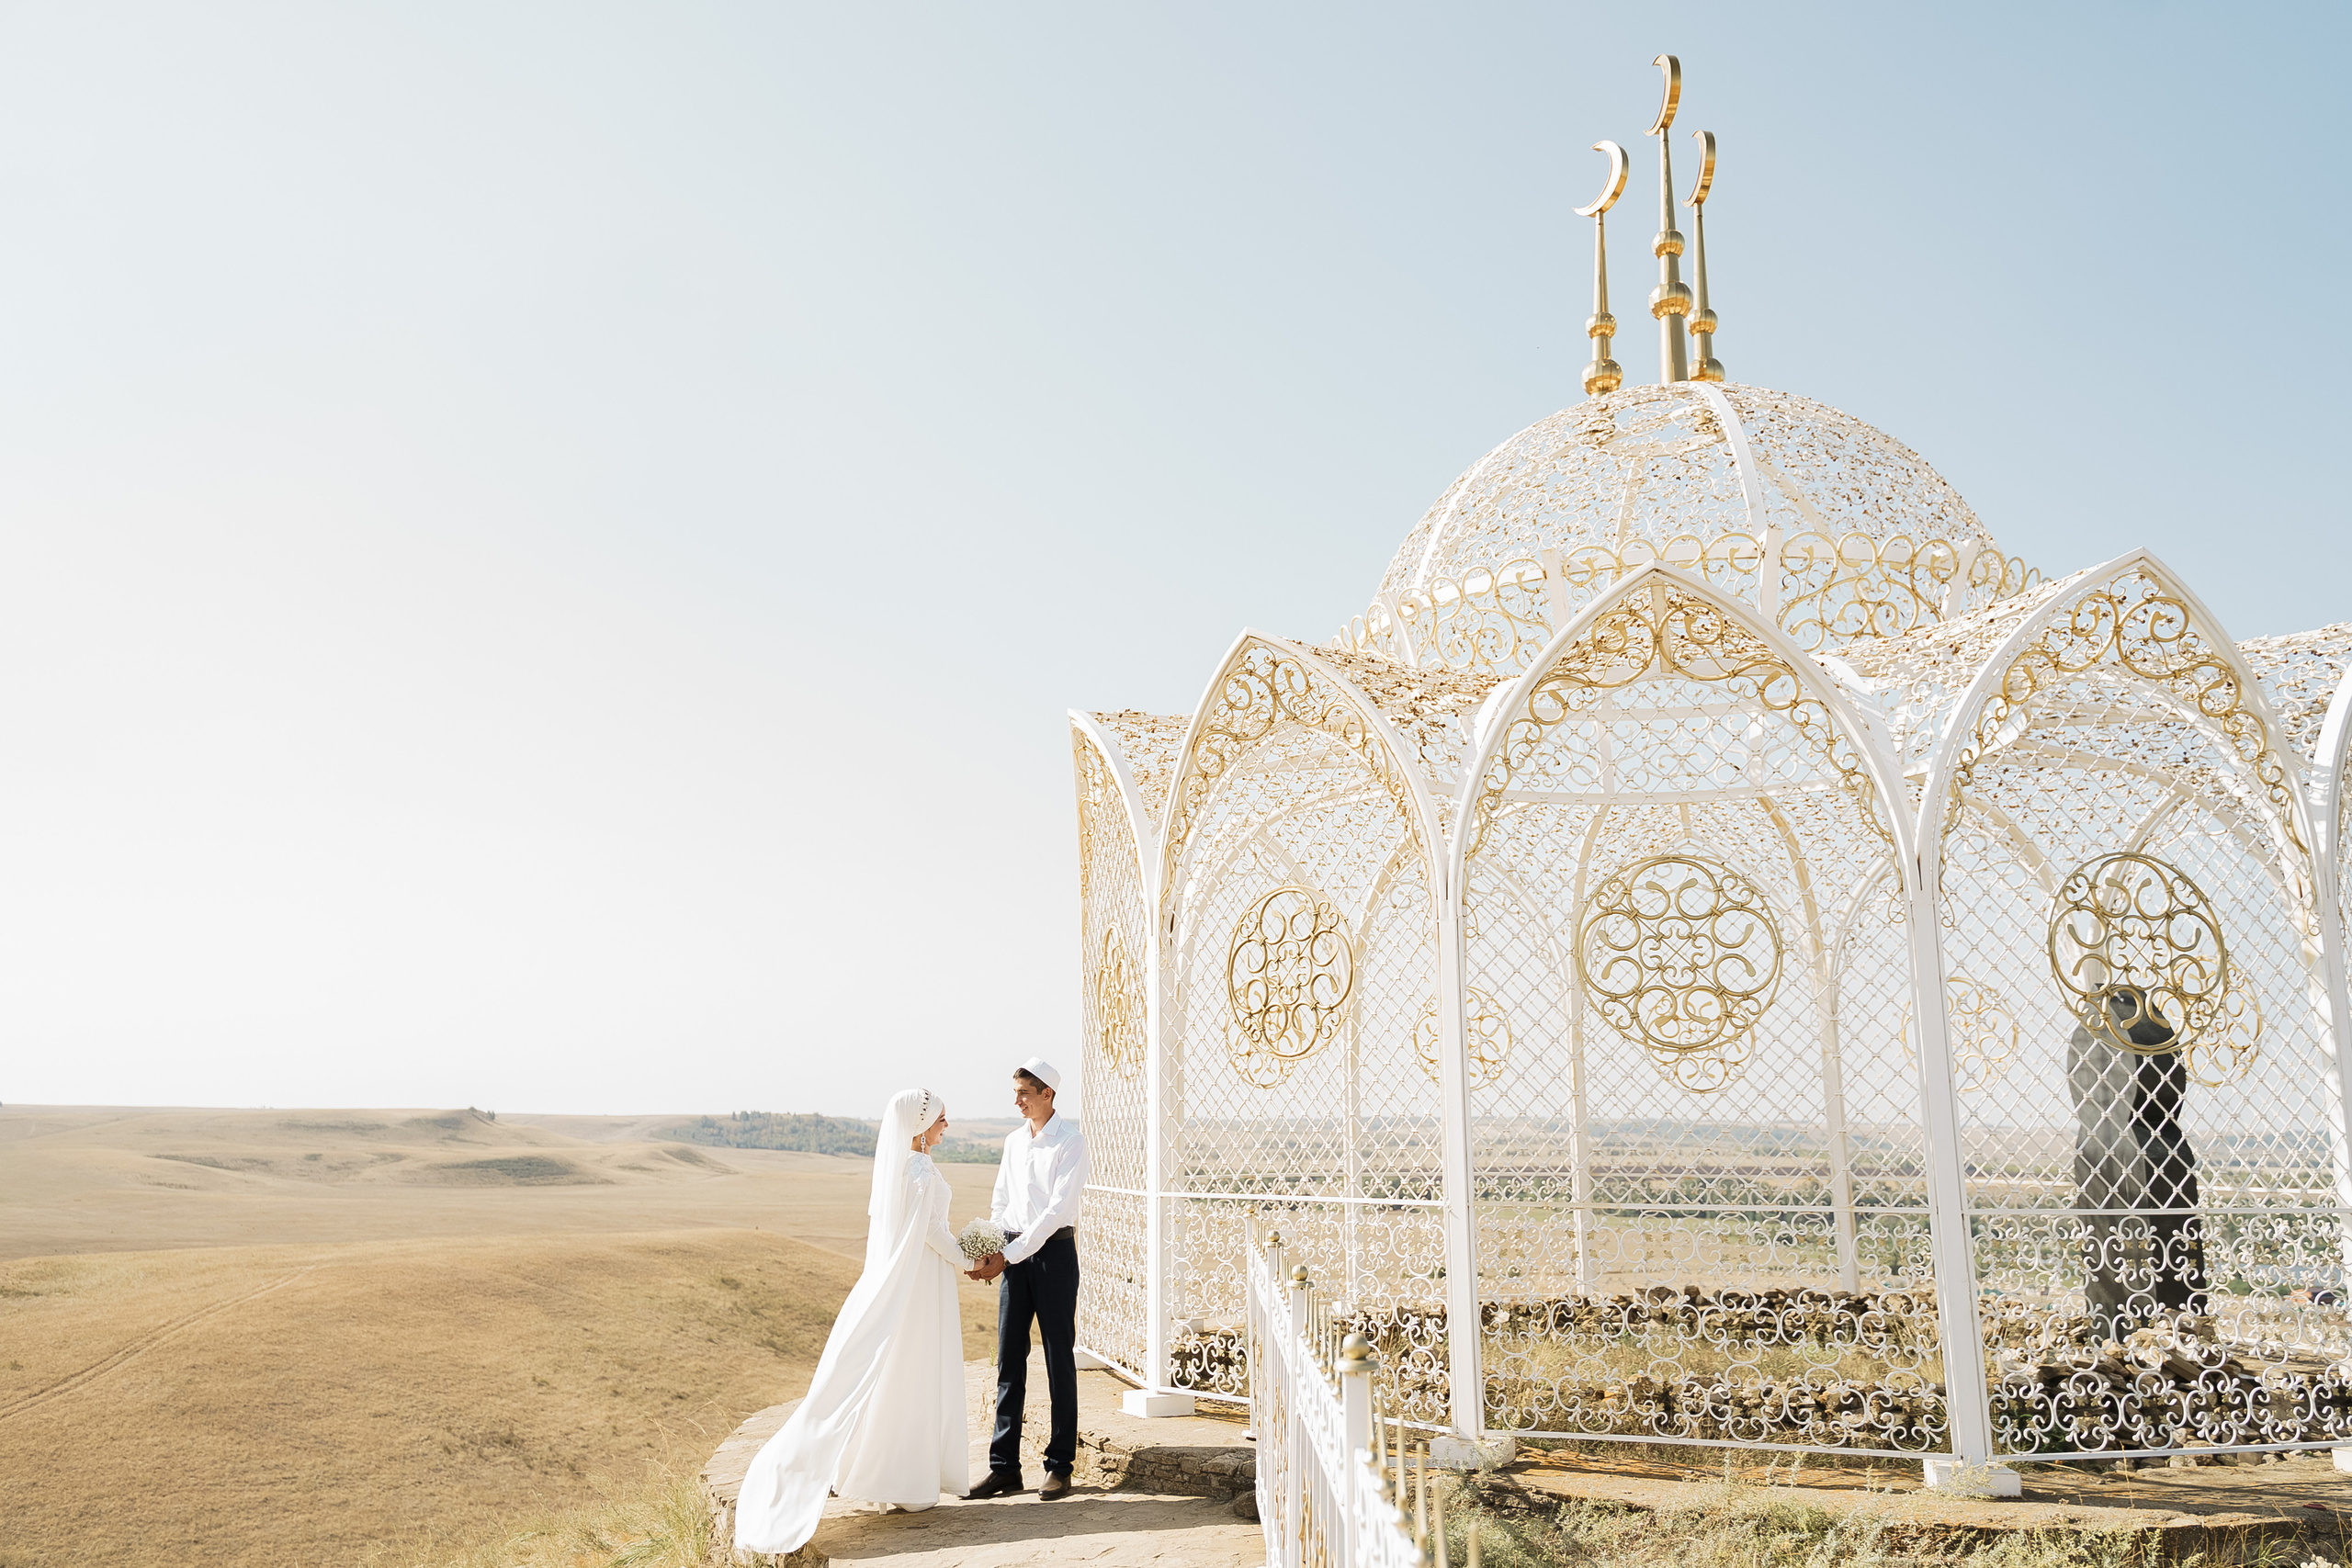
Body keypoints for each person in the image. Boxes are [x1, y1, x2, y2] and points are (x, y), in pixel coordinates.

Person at [732, 1088, 969, 1556]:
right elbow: (929, 1231)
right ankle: (907, 1479)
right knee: (915, 1370)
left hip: (916, 1279)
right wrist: (972, 1260)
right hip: (921, 1284)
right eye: (942, 1117)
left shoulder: (906, 1165)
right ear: (922, 1124)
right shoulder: (919, 1169)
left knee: (900, 1372)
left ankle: (894, 1474)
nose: (947, 1125)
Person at [964, 1057, 1089, 1499]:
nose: (1016, 1101)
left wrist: (1008, 1255)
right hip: (1013, 1256)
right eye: (1015, 1093)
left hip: (1053, 1256)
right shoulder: (1013, 1141)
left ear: (1046, 1094)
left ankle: (1060, 1466)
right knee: (1008, 1360)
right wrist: (990, 1249)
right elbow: (1001, 1202)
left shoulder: (1071, 1142)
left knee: (1058, 1361)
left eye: (1023, 1093)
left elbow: (1056, 1212)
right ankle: (1004, 1468)